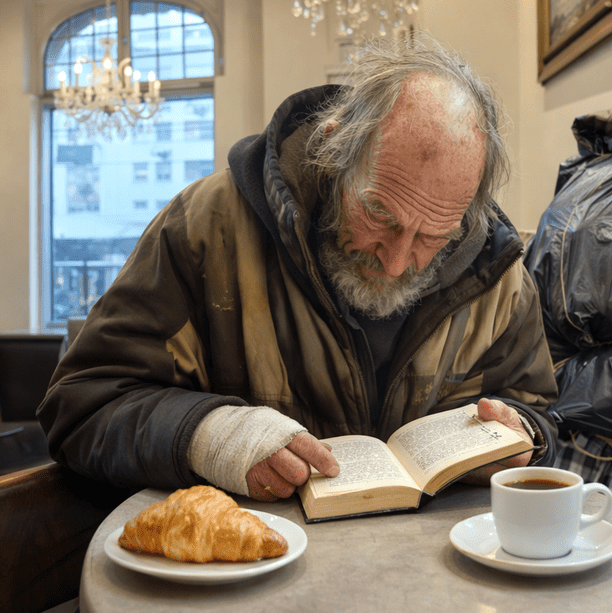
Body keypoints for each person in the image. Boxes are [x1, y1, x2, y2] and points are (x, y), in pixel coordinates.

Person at [38, 34, 558, 503]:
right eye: (379, 214)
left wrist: (522, 438)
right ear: (333, 150)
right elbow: (80, 406)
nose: (397, 262)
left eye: (431, 236)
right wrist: (210, 436)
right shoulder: (205, 228)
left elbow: (538, 410)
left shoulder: (500, 275)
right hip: (250, 560)